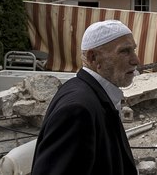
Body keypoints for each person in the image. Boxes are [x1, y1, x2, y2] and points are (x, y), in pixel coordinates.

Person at [31, 20, 140, 175]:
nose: (136, 60)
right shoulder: (77, 110)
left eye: (133, 50)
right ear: (93, 58)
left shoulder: (93, 95)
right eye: (124, 51)